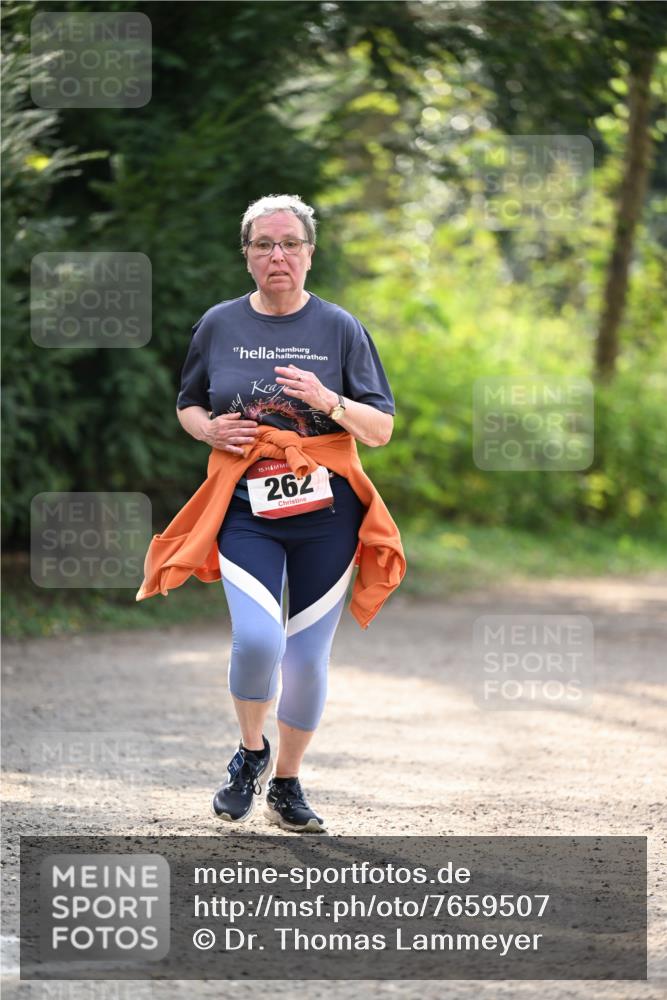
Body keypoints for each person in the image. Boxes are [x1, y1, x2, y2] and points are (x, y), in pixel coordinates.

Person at [175, 194, 397, 833]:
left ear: (309, 253)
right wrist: (209, 432)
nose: (278, 255)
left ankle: (289, 786)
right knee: (258, 640)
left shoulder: (340, 329)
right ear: (247, 256)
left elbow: (379, 430)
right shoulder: (219, 324)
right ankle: (250, 754)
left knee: (305, 658)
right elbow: (190, 404)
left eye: (290, 243)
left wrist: (330, 400)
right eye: (264, 245)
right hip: (245, 508)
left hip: (329, 514)